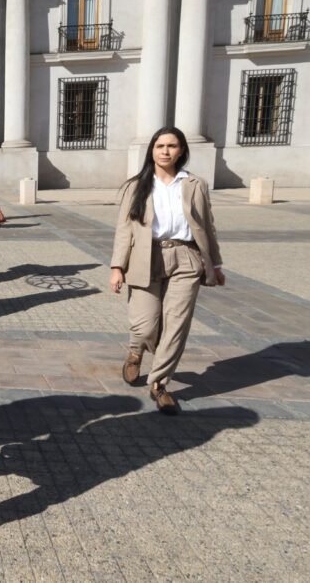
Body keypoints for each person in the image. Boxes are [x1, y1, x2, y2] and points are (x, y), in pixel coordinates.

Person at [110, 126, 226, 415]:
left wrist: (215, 264)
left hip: (186, 257)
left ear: (181, 150)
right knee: (145, 325)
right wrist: (117, 267)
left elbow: (207, 226)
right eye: (160, 146)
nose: (165, 151)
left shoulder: (195, 184)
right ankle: (136, 349)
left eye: (172, 146)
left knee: (176, 326)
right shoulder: (136, 186)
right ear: (152, 150)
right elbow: (124, 229)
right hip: (145, 256)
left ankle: (160, 384)